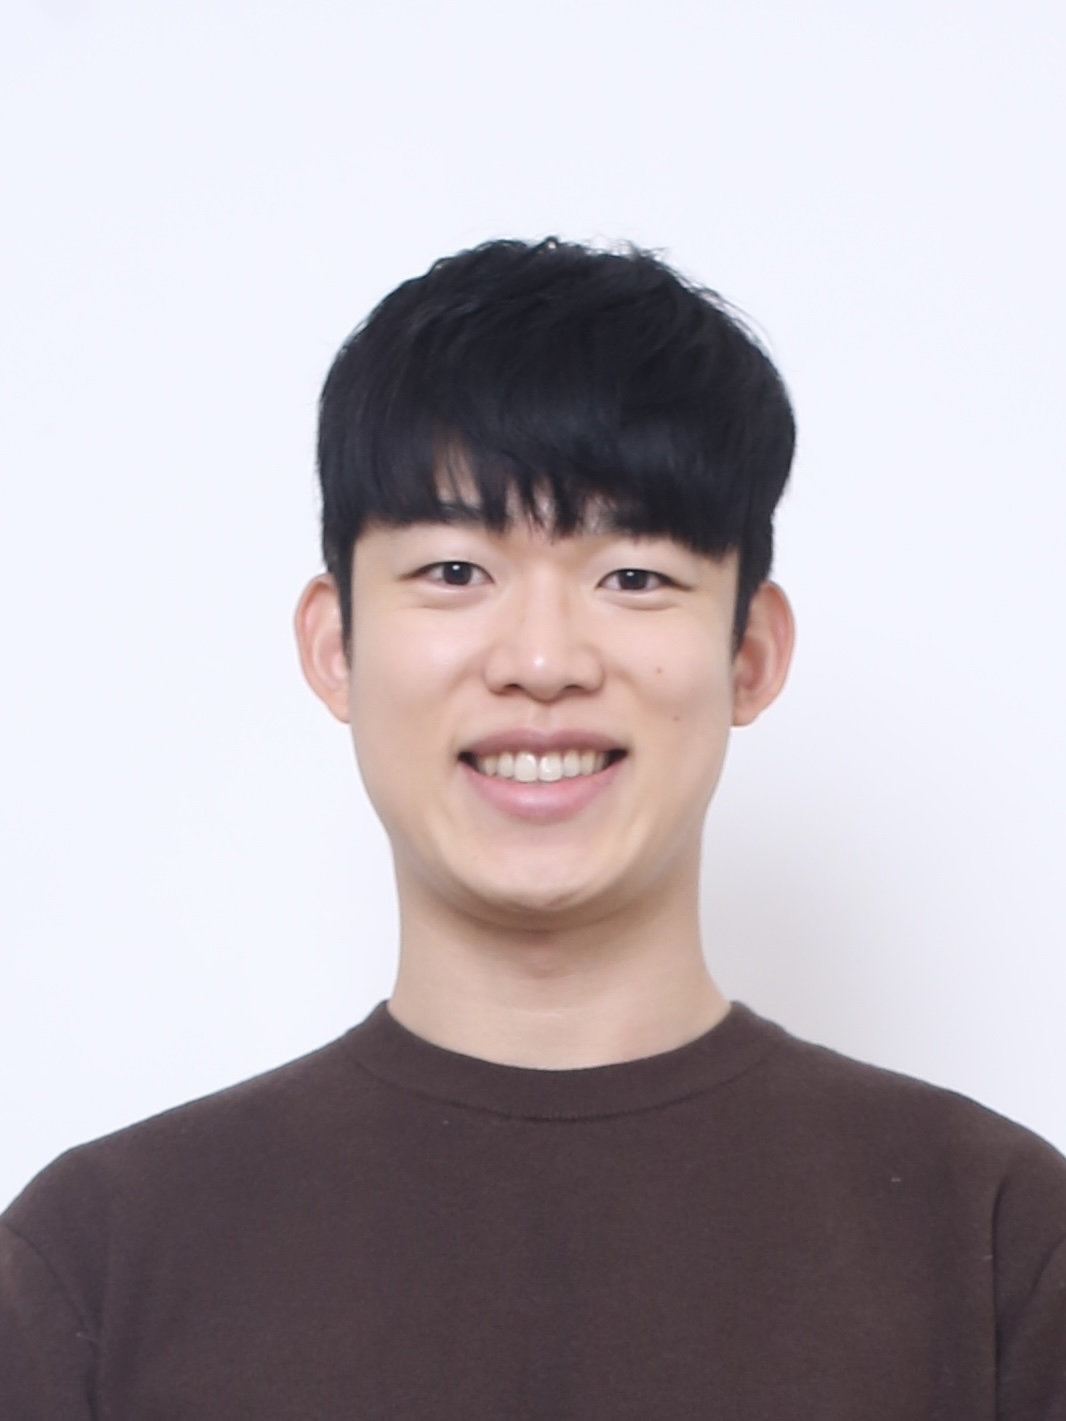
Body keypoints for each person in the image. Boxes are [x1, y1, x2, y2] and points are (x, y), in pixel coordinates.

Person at [2, 237, 1064, 1419]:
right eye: (456, 570)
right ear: (335, 643)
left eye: (634, 575)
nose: (544, 660)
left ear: (751, 653)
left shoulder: (1001, 1242)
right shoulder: (97, 1259)